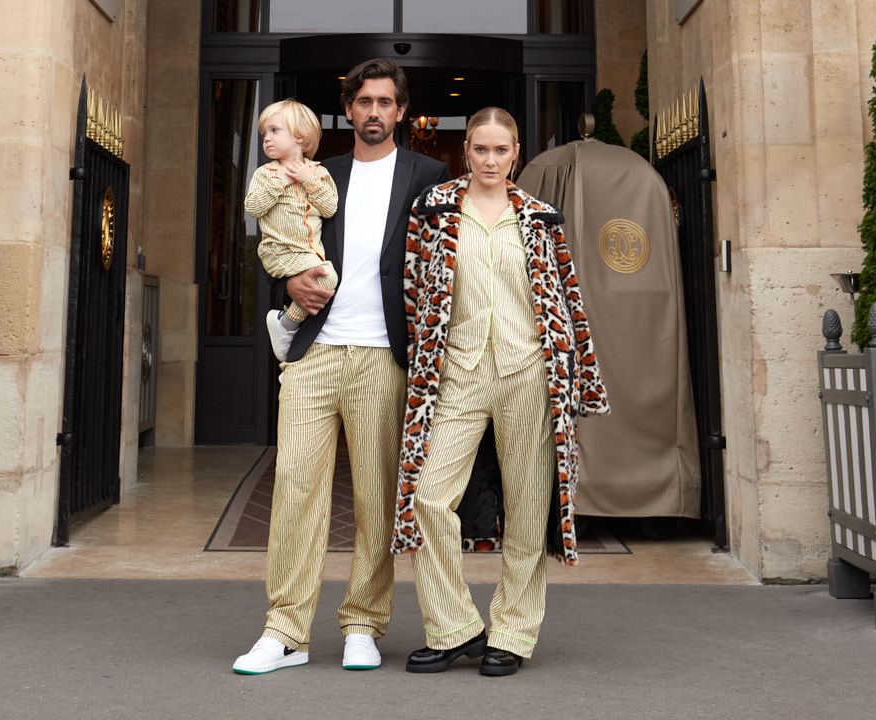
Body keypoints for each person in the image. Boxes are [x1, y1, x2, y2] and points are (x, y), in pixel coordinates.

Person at [232, 58, 449, 675]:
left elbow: (442, 263)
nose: (374, 112)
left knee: (378, 498)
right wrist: (288, 280)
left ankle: (363, 623)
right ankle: (285, 630)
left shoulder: (429, 174)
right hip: (316, 351)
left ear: (400, 112)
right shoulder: (317, 173)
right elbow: (273, 237)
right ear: (348, 110)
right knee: (296, 488)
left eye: (386, 102)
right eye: (364, 102)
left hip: (386, 356)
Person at [392, 107, 610, 677]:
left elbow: (568, 298)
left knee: (527, 505)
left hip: (528, 372)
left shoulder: (541, 218)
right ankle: (453, 627)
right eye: (480, 149)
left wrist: (579, 373)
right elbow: (414, 296)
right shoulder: (433, 212)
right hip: (457, 371)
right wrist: (423, 365)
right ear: (466, 150)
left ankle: (512, 631)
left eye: (501, 150)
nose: (490, 160)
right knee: (429, 497)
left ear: (516, 153)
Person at [244, 99, 339, 362]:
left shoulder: (318, 173)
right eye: (264, 134)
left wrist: (309, 182)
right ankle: (287, 324)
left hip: (308, 253)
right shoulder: (266, 173)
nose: (267, 139)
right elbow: (253, 207)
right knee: (328, 279)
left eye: (275, 131)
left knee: (326, 278)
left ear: (300, 136)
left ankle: (286, 322)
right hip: (280, 251)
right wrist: (282, 181)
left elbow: (330, 208)